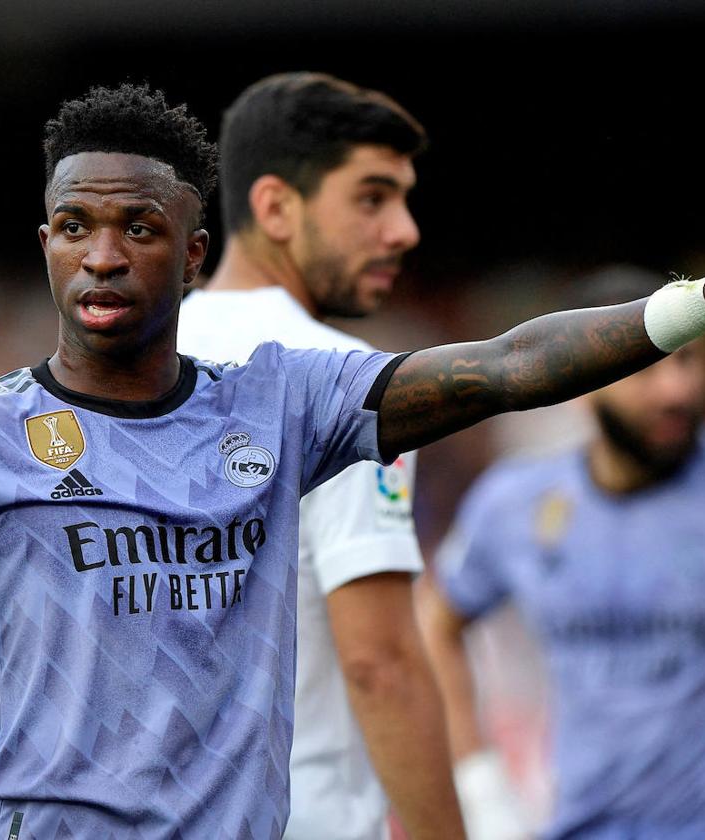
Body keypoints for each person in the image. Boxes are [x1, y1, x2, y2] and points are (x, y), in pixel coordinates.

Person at [0, 83, 705, 839]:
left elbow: (504, 367)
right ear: (43, 240)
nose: (100, 253)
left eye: (137, 228)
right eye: (72, 224)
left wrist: (697, 305)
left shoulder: (283, 401)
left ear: (191, 253)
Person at [417, 267, 705, 840]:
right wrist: (483, 793)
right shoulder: (516, 505)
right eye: (644, 369)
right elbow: (435, 622)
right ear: (580, 383)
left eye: (685, 361)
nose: (675, 391)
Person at [177, 72, 461, 840]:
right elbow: (382, 664)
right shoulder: (351, 384)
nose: (404, 230)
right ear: (274, 207)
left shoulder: (119, 373)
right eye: (371, 197)